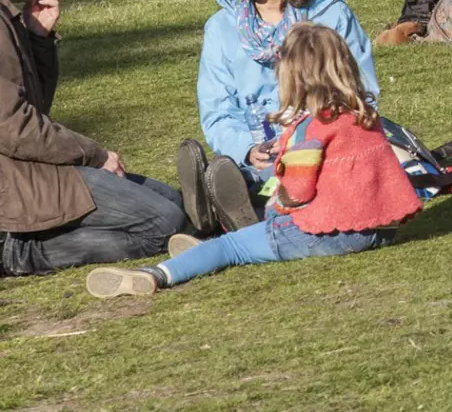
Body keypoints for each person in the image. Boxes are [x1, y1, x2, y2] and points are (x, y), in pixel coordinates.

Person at [91, 21, 419, 300]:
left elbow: (298, 193)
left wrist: (278, 201)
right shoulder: (363, 116)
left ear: (293, 77)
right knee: (256, 213)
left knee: (232, 247)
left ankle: (157, 273)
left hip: (335, 232)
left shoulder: (311, 129)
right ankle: (208, 242)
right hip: (379, 228)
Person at [0, 0, 190, 277]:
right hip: (14, 184)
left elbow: (32, 109)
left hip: (28, 169)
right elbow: (15, 128)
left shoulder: (7, 15)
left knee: (174, 203)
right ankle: (17, 253)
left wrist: (38, 37)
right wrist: (95, 155)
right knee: (163, 223)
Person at [189, 0, 380, 222]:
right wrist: (247, 150)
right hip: (256, 157)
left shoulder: (330, 17)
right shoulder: (221, 27)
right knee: (244, 175)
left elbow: (362, 94)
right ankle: (233, 199)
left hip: (321, 149)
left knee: (306, 183)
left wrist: (303, 141)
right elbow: (217, 111)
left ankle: (232, 212)